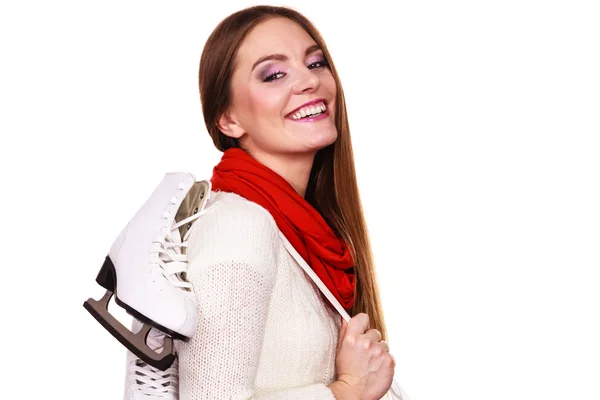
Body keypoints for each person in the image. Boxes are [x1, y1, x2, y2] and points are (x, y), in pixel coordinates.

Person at [124, 5, 399, 400]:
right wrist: (347, 391)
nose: (309, 81)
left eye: (316, 63)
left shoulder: (302, 237)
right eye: (274, 74)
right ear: (229, 120)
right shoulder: (239, 224)